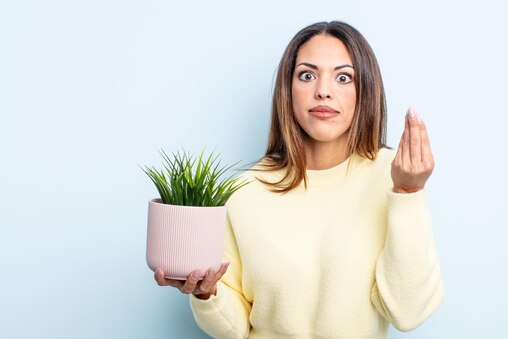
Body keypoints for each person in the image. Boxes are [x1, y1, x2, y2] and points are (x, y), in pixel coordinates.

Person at [154, 20, 444, 338]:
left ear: (366, 91)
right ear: (287, 89)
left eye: (343, 77)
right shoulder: (244, 191)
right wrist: (206, 294)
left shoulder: (394, 175)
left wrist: (407, 192)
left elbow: (407, 312)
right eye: (307, 75)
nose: (323, 90)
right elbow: (234, 328)